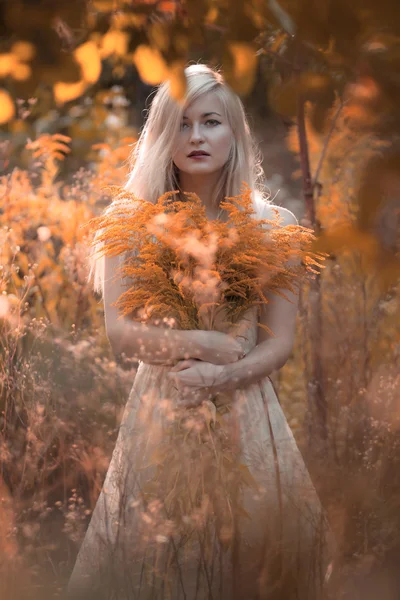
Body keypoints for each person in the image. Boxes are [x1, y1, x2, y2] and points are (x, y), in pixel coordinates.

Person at [66, 64, 332, 600]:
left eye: (210, 122)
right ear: (163, 136)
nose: (196, 137)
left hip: (246, 408)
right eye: (181, 125)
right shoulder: (131, 222)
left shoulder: (273, 226)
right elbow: (121, 334)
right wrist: (202, 345)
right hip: (163, 408)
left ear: (234, 131)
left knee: (254, 561)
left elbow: (280, 341)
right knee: (160, 560)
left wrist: (223, 374)